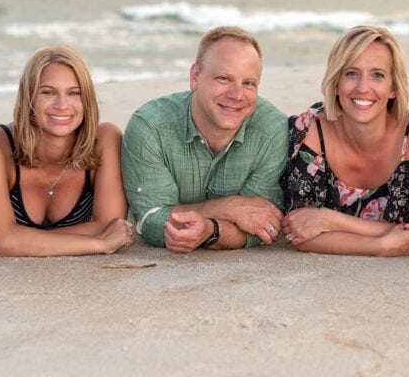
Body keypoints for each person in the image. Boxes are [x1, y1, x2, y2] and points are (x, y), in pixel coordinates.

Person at [121, 26, 288, 253]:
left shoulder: (272, 131)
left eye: (248, 83)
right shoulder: (150, 127)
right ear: (195, 77)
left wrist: (210, 230)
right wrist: (228, 208)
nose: (237, 95)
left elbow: (261, 225)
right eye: (224, 78)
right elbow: (150, 221)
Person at [281, 25, 409, 256]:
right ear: (336, 82)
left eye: (377, 75)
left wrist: (327, 219)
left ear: (393, 87)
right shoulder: (309, 130)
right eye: (351, 73)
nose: (363, 87)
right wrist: (379, 245)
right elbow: (298, 231)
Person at [0, 45, 134, 257]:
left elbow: (110, 226)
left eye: (74, 93)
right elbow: (3, 243)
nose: (62, 105)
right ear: (29, 98)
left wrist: (18, 238)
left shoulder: (105, 140)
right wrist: (98, 244)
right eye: (48, 92)